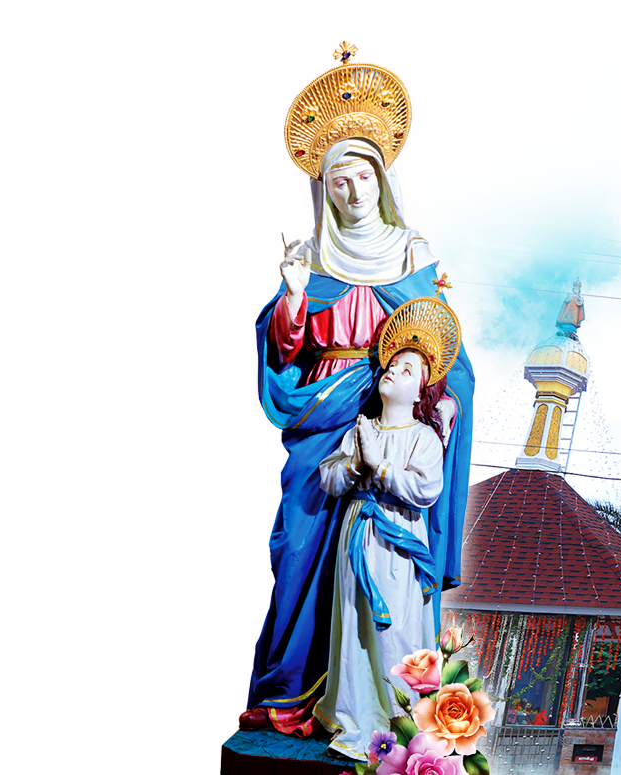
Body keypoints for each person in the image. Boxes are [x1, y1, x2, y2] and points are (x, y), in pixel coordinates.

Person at [245, 135, 476, 735]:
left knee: (389, 557)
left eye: (363, 178)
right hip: (322, 409)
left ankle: (388, 702)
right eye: (338, 182)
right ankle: (289, 693)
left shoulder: (411, 252)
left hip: (393, 409)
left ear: (382, 180)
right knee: (299, 547)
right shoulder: (312, 254)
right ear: (324, 189)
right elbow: (283, 350)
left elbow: (439, 342)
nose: (352, 193)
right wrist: (294, 297)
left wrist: (440, 398)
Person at [314, 310, 454, 760]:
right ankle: (357, 717)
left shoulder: (424, 438)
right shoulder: (362, 429)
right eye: (393, 364)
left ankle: (402, 721)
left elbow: (425, 489)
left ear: (420, 392)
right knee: (354, 627)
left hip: (398, 544)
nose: (395, 370)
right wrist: (357, 463)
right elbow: (328, 478)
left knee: (397, 630)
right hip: (357, 537)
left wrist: (382, 466)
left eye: (408, 368)